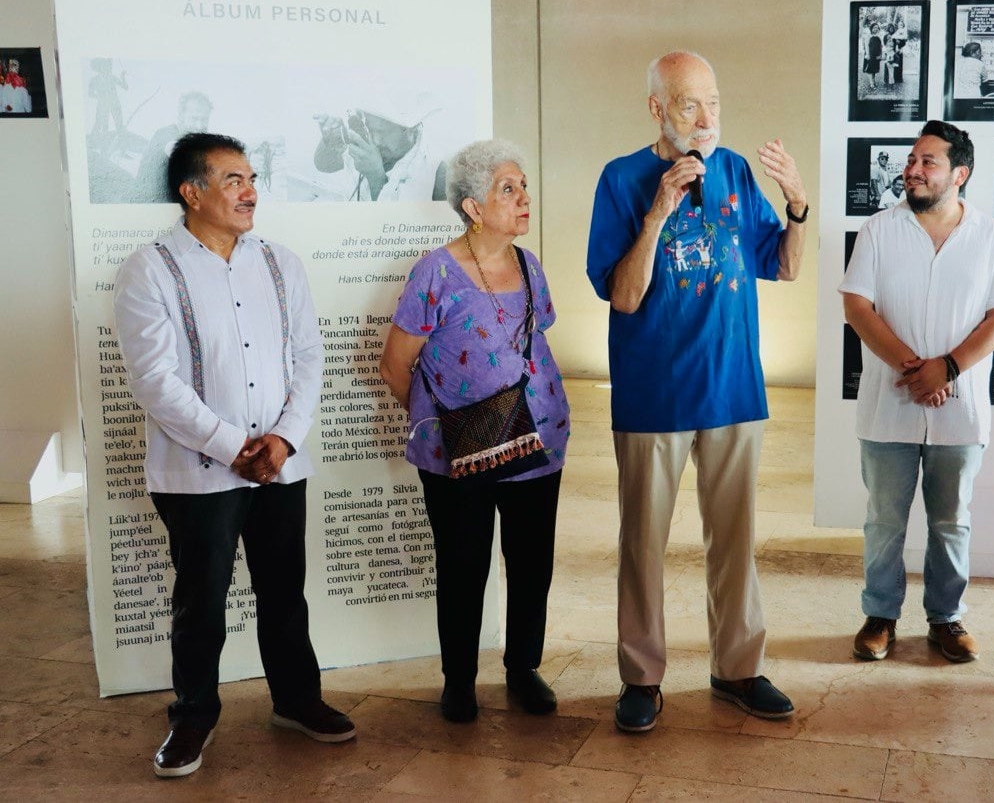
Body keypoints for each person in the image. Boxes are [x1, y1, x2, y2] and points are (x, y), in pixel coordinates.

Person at [113, 133, 354, 779]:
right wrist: (231, 447)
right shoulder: (149, 268)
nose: (250, 191)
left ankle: (297, 700)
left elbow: (308, 355)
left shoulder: (281, 262)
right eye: (231, 179)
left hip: (280, 461)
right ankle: (192, 716)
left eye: (251, 177)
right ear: (191, 193)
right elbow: (154, 380)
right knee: (202, 599)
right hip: (197, 472)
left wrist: (282, 438)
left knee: (284, 591)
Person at [586, 50, 808, 733]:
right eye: (690, 105)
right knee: (642, 543)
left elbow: (785, 266)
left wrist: (797, 204)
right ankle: (641, 677)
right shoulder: (622, 179)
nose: (707, 119)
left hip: (735, 388)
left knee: (735, 540)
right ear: (656, 108)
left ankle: (737, 667)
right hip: (654, 392)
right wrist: (657, 213)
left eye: (714, 102)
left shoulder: (737, 170)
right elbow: (623, 298)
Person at [378, 139, 569, 724]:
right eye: (507, 189)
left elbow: (536, 340)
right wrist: (442, 424)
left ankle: (522, 668)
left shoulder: (529, 264)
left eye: (523, 186)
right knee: (463, 567)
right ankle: (458, 680)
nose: (523, 198)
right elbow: (394, 364)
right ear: (472, 207)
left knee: (532, 561)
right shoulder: (435, 271)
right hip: (458, 453)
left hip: (539, 442)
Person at [840, 120, 994, 665]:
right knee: (883, 520)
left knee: (951, 521)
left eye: (929, 163)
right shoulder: (879, 229)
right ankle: (879, 615)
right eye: (913, 160)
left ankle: (946, 618)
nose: (914, 170)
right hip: (888, 406)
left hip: (960, 411)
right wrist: (913, 367)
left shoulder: (990, 236)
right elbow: (857, 308)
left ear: (959, 174)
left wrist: (947, 368)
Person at [312, 107, 448, 202]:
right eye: (370, 129)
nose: (374, 140)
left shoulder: (439, 173)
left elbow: (402, 234)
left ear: (410, 130)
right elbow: (323, 164)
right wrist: (331, 141)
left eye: (381, 132)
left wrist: (376, 178)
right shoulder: (365, 136)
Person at [132, 91, 213, 202]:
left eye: (204, 120)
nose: (199, 126)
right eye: (194, 119)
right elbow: (176, 151)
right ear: (181, 117)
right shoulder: (166, 134)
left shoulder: (197, 143)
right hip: (146, 205)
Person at [864, 23, 883, 89]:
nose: (876, 29)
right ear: (871, 28)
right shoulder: (868, 36)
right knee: (870, 69)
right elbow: (866, 46)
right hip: (870, 54)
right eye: (874, 27)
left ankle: (873, 81)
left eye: (877, 28)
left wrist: (881, 54)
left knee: (874, 69)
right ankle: (871, 83)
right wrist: (867, 55)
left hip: (877, 55)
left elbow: (881, 46)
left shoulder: (879, 36)